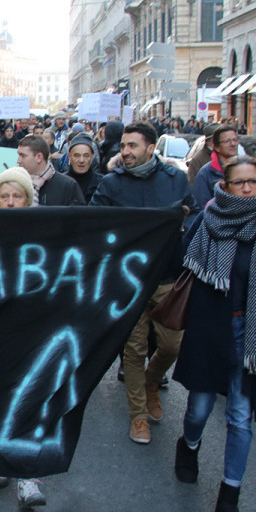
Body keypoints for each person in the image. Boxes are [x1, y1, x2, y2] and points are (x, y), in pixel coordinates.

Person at [172, 156, 256, 512]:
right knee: (200, 409)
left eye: (253, 182)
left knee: (240, 418)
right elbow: (183, 261)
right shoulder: (209, 220)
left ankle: (228, 500)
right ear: (225, 186)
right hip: (211, 329)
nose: (247, 189)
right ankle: (189, 445)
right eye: (239, 182)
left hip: (249, 333)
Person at [90, 121, 197, 444]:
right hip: (129, 281)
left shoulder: (175, 179)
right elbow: (96, 223)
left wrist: (182, 225)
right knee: (133, 350)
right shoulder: (111, 183)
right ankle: (138, 417)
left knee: (171, 345)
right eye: (123, 146)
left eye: (132, 146)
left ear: (151, 148)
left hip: (167, 277)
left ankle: (153, 381)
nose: (125, 152)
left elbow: (192, 217)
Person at [0, 165, 47, 507]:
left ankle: (28, 475)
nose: (10, 203)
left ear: (28, 200)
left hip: (33, 329)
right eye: (3, 196)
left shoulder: (47, 233)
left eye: (17, 196)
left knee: (30, 397)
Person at [15, 135, 85, 206]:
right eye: (18, 155)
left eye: (23, 156)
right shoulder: (15, 184)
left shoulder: (67, 186)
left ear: (39, 157)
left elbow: (79, 215)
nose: (18, 161)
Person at [192, 124, 239, 210]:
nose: (233, 144)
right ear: (217, 147)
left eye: (235, 140)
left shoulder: (246, 170)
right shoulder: (205, 174)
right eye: (227, 141)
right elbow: (202, 209)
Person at [66, 132, 104, 202]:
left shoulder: (102, 183)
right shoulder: (60, 183)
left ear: (92, 157)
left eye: (86, 155)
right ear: (70, 157)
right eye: (77, 155)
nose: (81, 160)